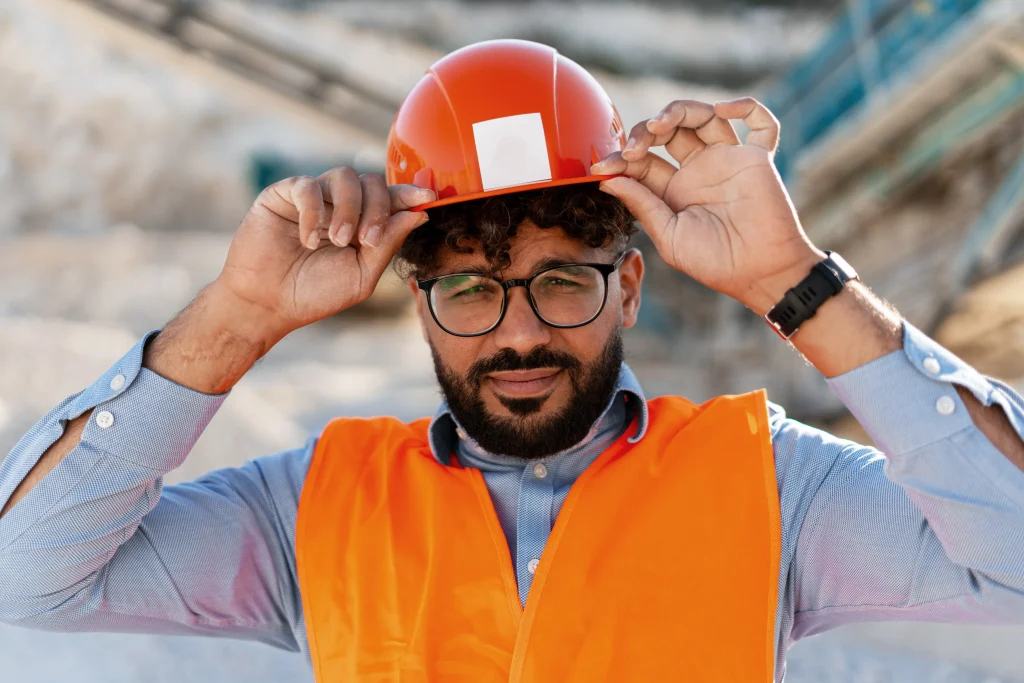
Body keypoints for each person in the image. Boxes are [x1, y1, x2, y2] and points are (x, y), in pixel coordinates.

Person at [1, 39, 1023, 683]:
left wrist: (788, 280)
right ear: (420, 302)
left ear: (627, 286)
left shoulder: (768, 482)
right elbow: (27, 570)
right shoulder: (312, 506)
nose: (518, 333)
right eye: (472, 289)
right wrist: (238, 315)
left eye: (562, 280)